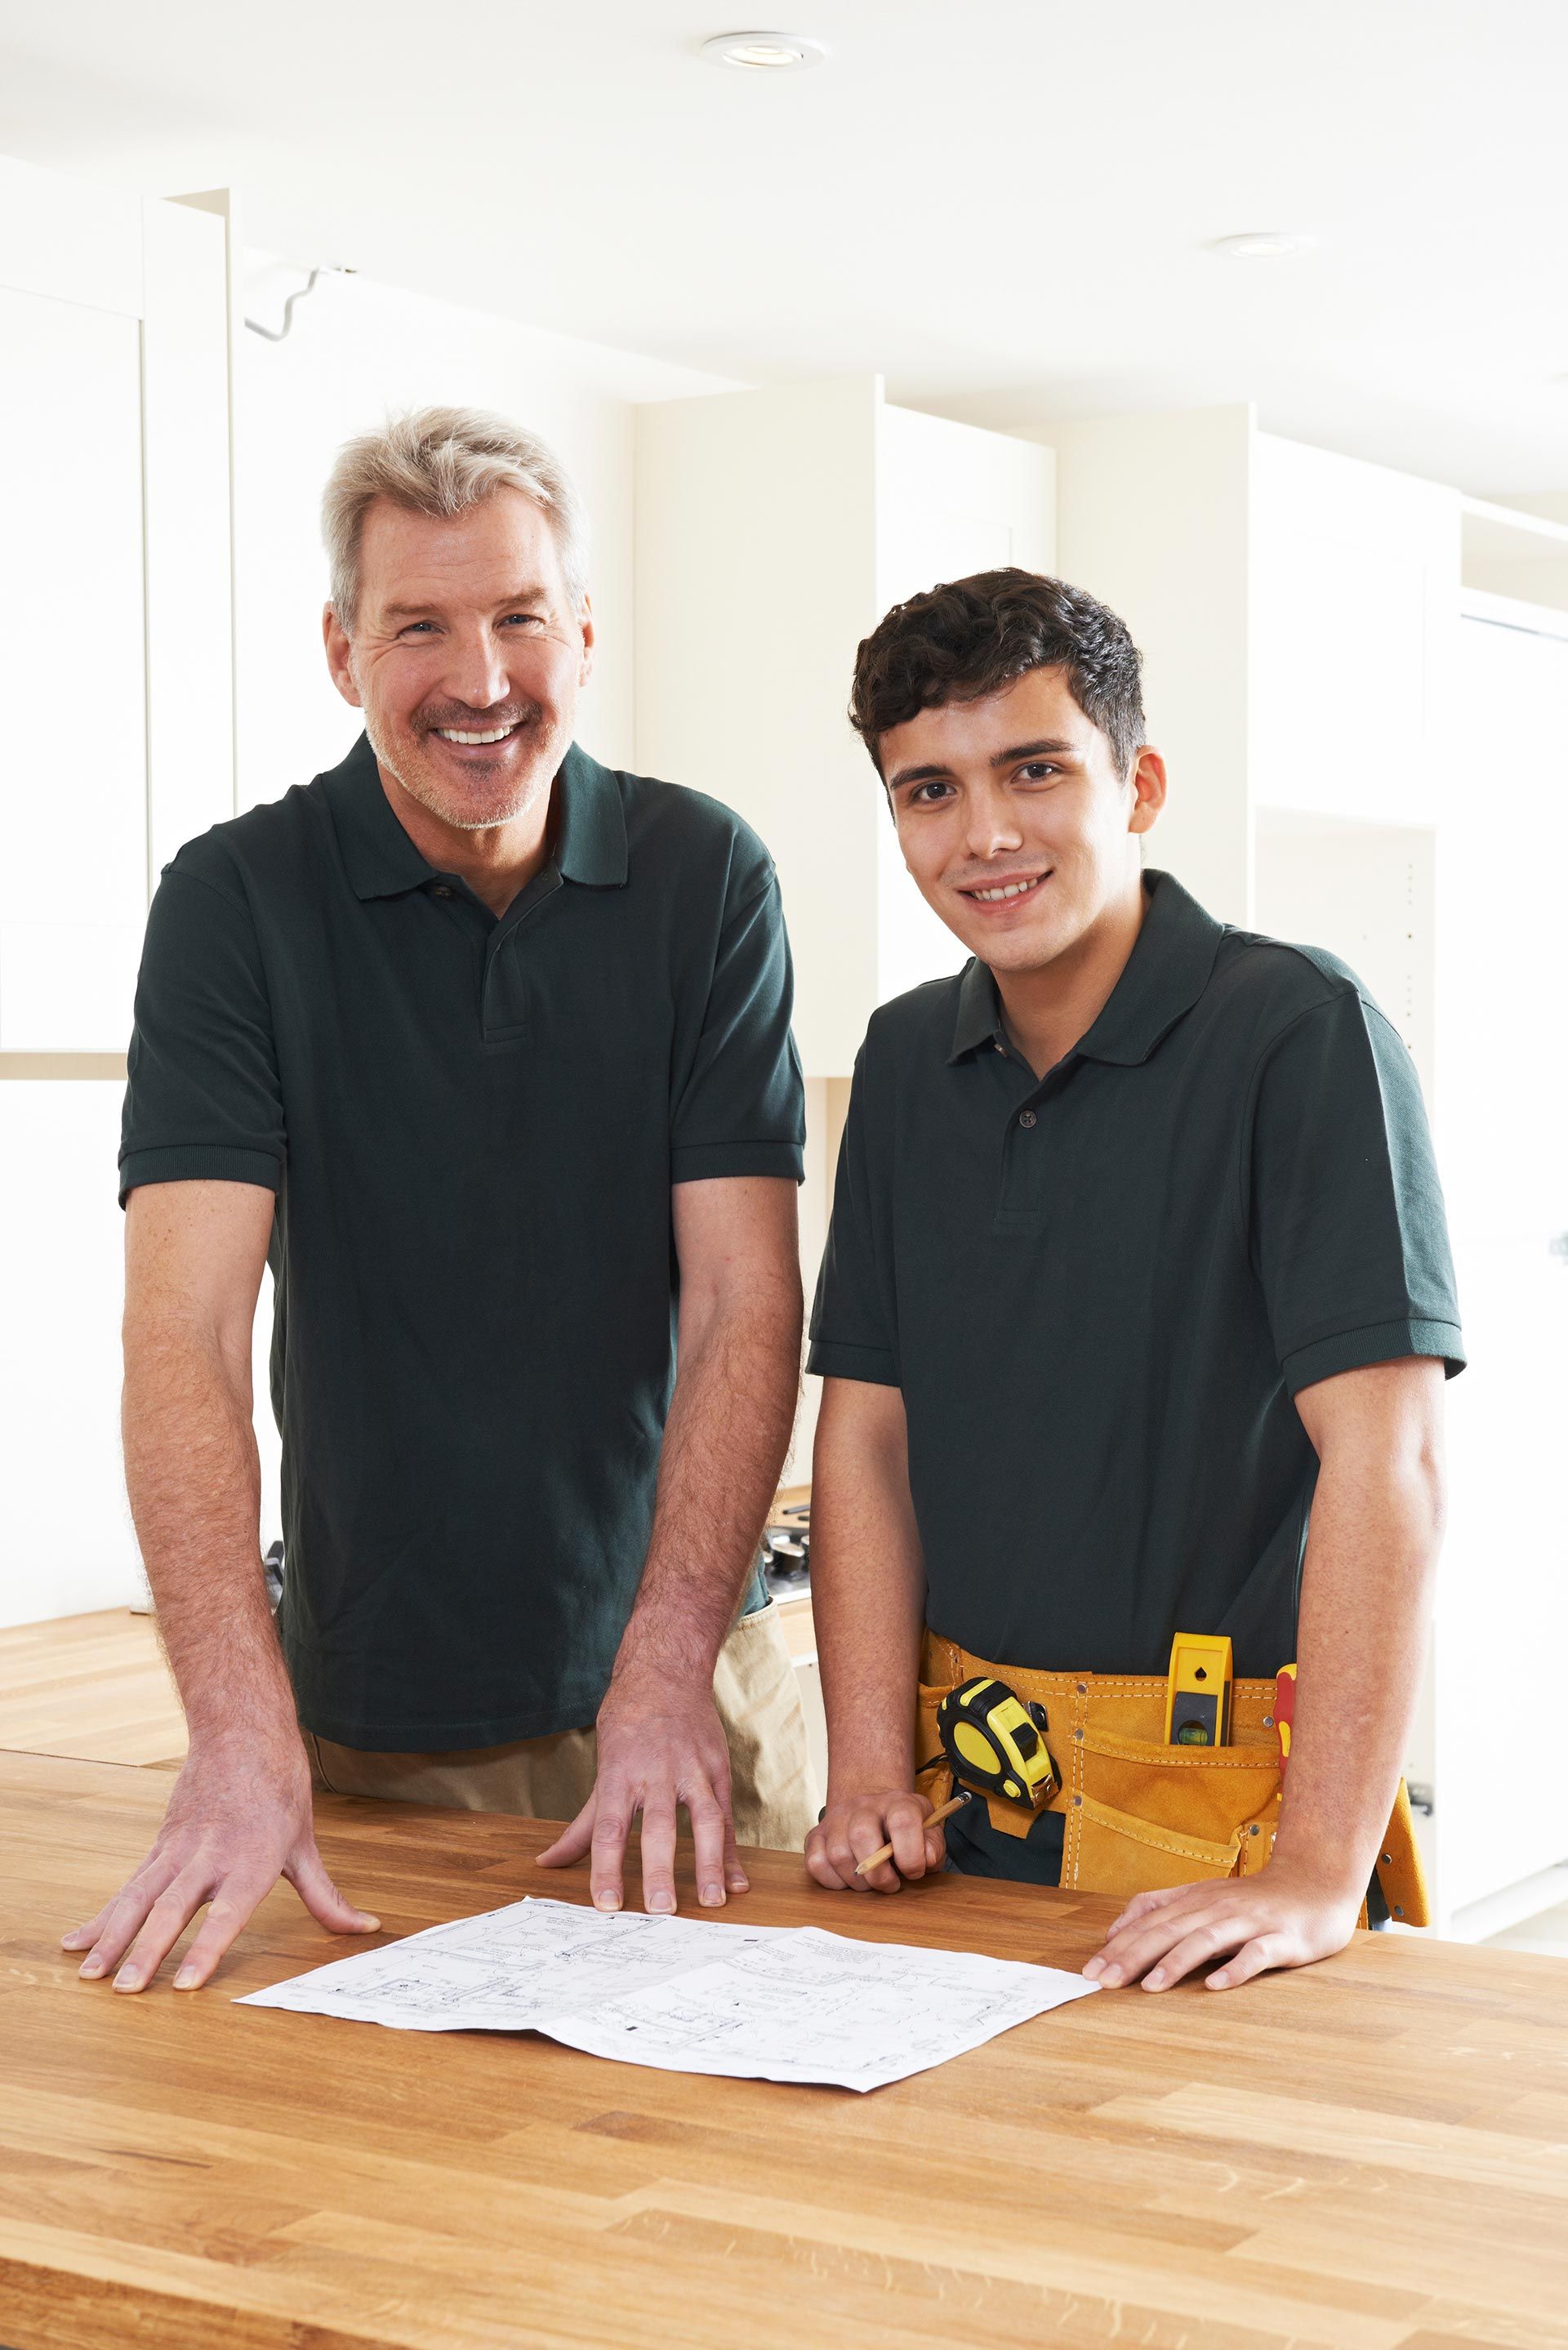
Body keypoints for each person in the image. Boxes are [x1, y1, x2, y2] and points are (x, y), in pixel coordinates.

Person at [65, 407, 815, 1998]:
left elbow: (747, 1295)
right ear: (342, 652)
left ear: (586, 634)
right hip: (375, 1721)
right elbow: (184, 1325)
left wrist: (668, 1666)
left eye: (520, 616)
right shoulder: (236, 902)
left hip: (684, 1694)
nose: (480, 678)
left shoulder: (706, 879)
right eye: (420, 625)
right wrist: (236, 1723)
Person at [803, 569, 1461, 1992]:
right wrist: (864, 1768)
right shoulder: (909, 1060)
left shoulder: (1302, 1034)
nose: (985, 833)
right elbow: (865, 1434)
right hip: (957, 1824)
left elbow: (1387, 1460)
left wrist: (1319, 1873)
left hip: (1225, 1839)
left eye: (1034, 770)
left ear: (1140, 781)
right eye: (928, 790)